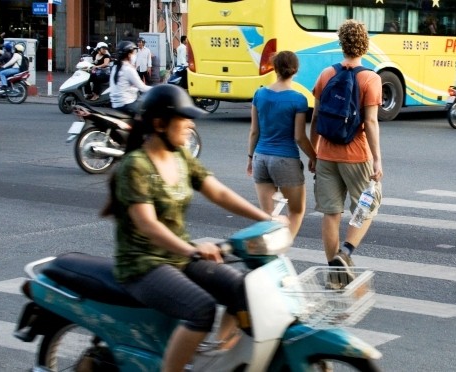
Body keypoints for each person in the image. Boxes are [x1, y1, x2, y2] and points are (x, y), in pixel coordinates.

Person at [102, 84, 284, 372]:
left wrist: (265, 217)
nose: (190, 126)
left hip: (179, 257)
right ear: (160, 124)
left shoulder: (180, 156)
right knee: (201, 309)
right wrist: (192, 249)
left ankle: (217, 360)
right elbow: (147, 224)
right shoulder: (135, 166)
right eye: (184, 119)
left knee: (244, 290)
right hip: (143, 264)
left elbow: (218, 193)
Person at [309, 19, 384, 286]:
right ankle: (346, 252)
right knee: (368, 203)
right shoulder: (370, 78)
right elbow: (371, 122)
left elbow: (316, 118)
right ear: (364, 44)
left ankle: (334, 276)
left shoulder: (325, 75)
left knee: (331, 214)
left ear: (342, 43)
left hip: (327, 154)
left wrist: (314, 153)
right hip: (356, 155)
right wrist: (377, 159)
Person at [247, 51, 316, 238]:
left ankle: (268, 250)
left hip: (260, 158)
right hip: (285, 159)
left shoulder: (259, 94)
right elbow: (300, 137)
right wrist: (314, 158)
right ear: (295, 71)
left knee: (267, 216)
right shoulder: (298, 99)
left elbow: (254, 131)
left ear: (274, 68)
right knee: (296, 210)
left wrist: (250, 158)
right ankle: (281, 249)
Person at [109, 41, 152, 114]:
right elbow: (142, 88)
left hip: (116, 104)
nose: (135, 55)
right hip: (127, 104)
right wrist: (158, 89)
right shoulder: (128, 69)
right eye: (134, 53)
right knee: (149, 111)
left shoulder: (115, 67)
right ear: (129, 55)